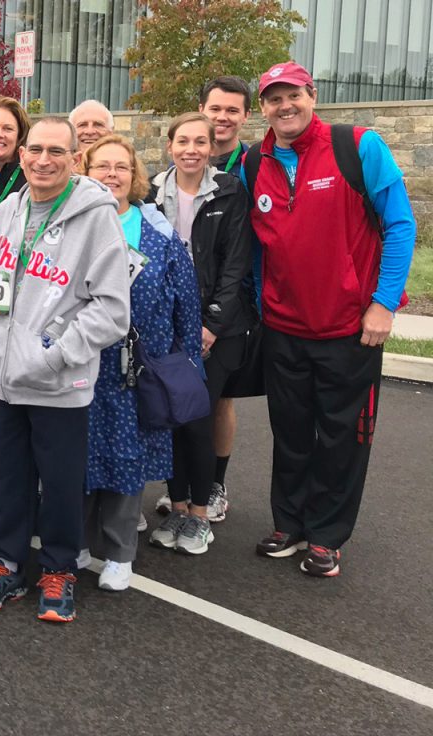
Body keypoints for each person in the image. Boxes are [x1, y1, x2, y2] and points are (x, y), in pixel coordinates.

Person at [242, 62, 415, 577]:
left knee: (343, 436)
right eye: (273, 99)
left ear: (312, 95)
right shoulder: (255, 161)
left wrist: (384, 303)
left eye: (292, 95)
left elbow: (400, 225)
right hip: (284, 327)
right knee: (290, 432)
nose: (284, 106)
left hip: (351, 329)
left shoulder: (358, 146)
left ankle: (326, 536)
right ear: (264, 109)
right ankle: (289, 524)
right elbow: (255, 245)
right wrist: (259, 301)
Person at [0, 116, 130, 623]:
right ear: (22, 153)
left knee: (59, 484)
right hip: (2, 381)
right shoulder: (7, 209)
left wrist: (50, 354)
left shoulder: (96, 216)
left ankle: (58, 571)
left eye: (57, 151)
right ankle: (4, 565)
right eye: (35, 149)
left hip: (58, 384)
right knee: (5, 481)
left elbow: (112, 309)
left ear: (75, 157)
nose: (43, 160)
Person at [80, 134, 202, 590]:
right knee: (80, 454)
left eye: (121, 167)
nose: (111, 175)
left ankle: (119, 554)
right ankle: (76, 540)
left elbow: (186, 300)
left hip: (137, 367)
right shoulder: (72, 225)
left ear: (134, 177)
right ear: (85, 173)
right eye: (101, 167)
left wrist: (188, 361)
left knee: (127, 458)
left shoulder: (159, 234)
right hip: (81, 362)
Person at [146, 112, 257, 556]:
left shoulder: (230, 192)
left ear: (213, 148)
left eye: (200, 142)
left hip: (219, 328)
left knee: (197, 417)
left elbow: (235, 265)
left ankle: (199, 515)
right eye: (183, 141)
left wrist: (210, 324)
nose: (191, 149)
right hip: (165, 323)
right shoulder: (151, 194)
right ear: (170, 145)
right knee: (171, 415)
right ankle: (175, 505)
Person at [194, 75, 259, 520]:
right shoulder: (186, 156)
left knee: (220, 399)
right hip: (190, 295)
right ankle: (186, 482)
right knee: (182, 393)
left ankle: (214, 485)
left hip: (238, 297)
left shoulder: (253, 163)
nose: (222, 117)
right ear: (202, 108)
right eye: (215, 108)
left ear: (245, 116)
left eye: (232, 110)